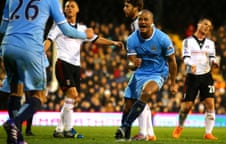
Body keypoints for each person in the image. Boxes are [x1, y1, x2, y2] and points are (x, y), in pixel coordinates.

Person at [0, 0, 94, 143]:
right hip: (30, 47)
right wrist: (84, 36)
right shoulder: (50, 1)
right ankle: (14, 122)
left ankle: (15, 138)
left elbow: (3, 27)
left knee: (15, 92)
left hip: (8, 46)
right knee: (39, 96)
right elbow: (67, 30)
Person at [44, 0, 124, 139]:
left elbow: (96, 39)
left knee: (71, 99)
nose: (69, 8)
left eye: (72, 6)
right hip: (63, 63)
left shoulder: (82, 29)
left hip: (76, 67)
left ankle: (58, 129)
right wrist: (40, 53)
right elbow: (49, 40)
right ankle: (69, 130)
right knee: (73, 95)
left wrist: (113, 43)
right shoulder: (58, 26)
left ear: (77, 10)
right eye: (67, 6)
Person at [114, 9, 177, 141]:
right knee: (128, 104)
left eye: (145, 19)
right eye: (140, 19)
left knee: (146, 92)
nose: (142, 22)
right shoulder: (132, 39)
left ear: (152, 22)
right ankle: (124, 136)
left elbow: (172, 61)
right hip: (140, 73)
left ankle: (126, 126)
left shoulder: (162, 38)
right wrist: (134, 63)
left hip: (158, 73)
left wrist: (173, 83)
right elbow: (131, 62)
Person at [172, 18, 218, 140]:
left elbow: (212, 57)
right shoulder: (187, 41)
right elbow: (185, 57)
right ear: (199, 25)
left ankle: (208, 133)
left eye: (209, 26)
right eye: (205, 24)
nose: (207, 27)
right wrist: (190, 64)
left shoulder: (211, 43)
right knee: (187, 106)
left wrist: (214, 62)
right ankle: (180, 126)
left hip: (206, 76)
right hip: (192, 76)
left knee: (210, 104)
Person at [122, 0, 156, 141]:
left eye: (127, 6)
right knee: (142, 99)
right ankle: (150, 133)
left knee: (139, 98)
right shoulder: (136, 23)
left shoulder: (138, 23)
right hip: (147, 64)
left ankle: (143, 133)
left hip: (147, 65)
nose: (124, 9)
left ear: (136, 8)